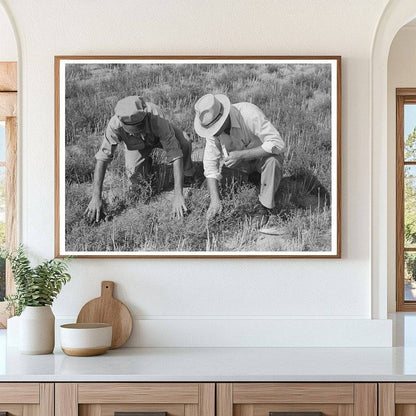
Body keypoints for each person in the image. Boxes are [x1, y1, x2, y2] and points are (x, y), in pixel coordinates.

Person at [85, 96, 194, 222]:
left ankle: (187, 175)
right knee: (138, 184)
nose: (138, 133)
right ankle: (149, 167)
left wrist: (178, 195)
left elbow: (175, 153)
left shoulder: (157, 118)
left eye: (140, 128)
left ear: (146, 117)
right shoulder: (114, 125)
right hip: (136, 147)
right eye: (132, 131)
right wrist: (96, 197)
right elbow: (102, 158)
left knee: (184, 142)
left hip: (158, 138)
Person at [193, 93, 285, 227]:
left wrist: (241, 155)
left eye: (216, 127)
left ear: (223, 116)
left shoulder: (249, 114)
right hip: (238, 166)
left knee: (273, 161)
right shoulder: (211, 130)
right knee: (207, 189)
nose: (213, 132)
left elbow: (278, 144)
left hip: (261, 159)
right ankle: (252, 182)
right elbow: (210, 165)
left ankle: (264, 207)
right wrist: (215, 200)